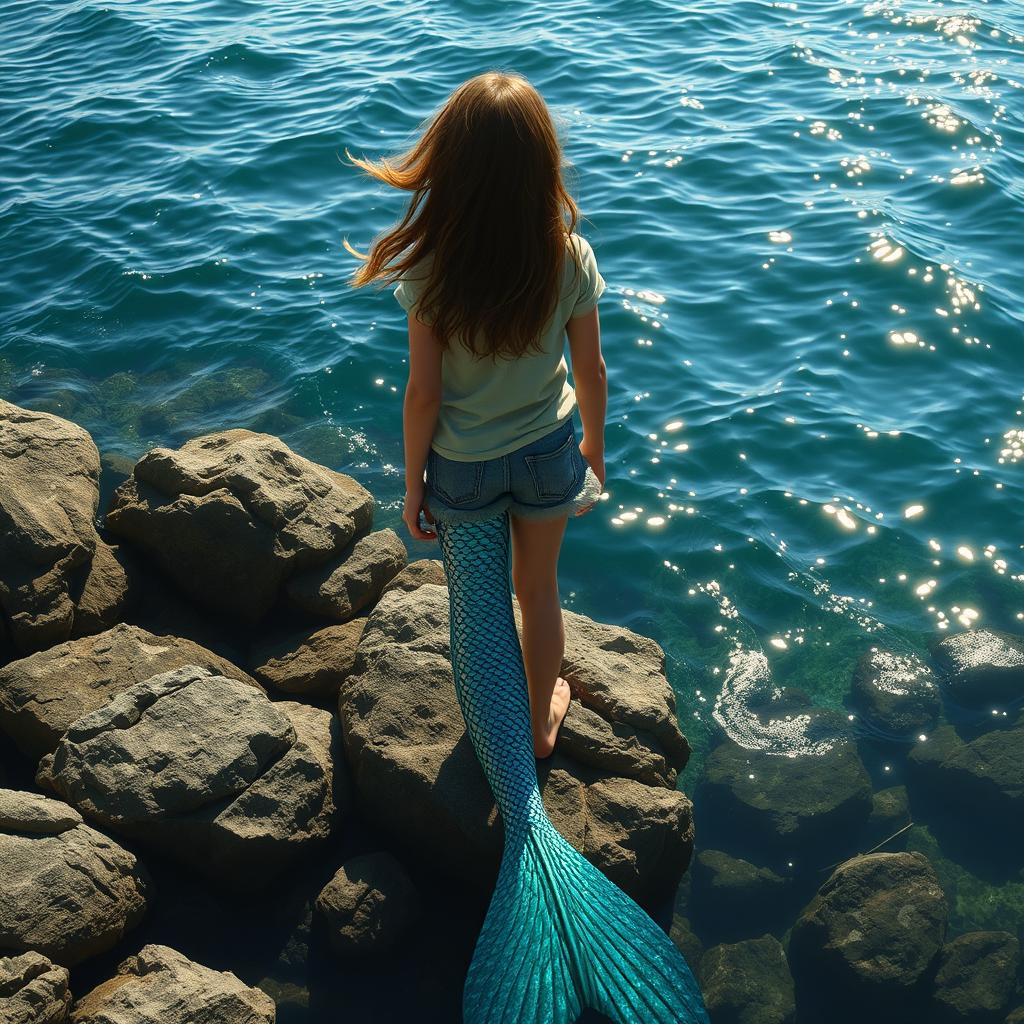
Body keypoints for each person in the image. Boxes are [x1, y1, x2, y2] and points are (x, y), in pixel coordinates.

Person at [344, 71, 709, 1024]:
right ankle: (543, 728)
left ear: (448, 168)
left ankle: (502, 746)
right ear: (541, 166)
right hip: (548, 457)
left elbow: (423, 393)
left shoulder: (430, 268)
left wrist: (411, 480)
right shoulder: (568, 253)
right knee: (539, 592)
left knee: (475, 609)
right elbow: (592, 368)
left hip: (462, 470)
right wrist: (592, 449)